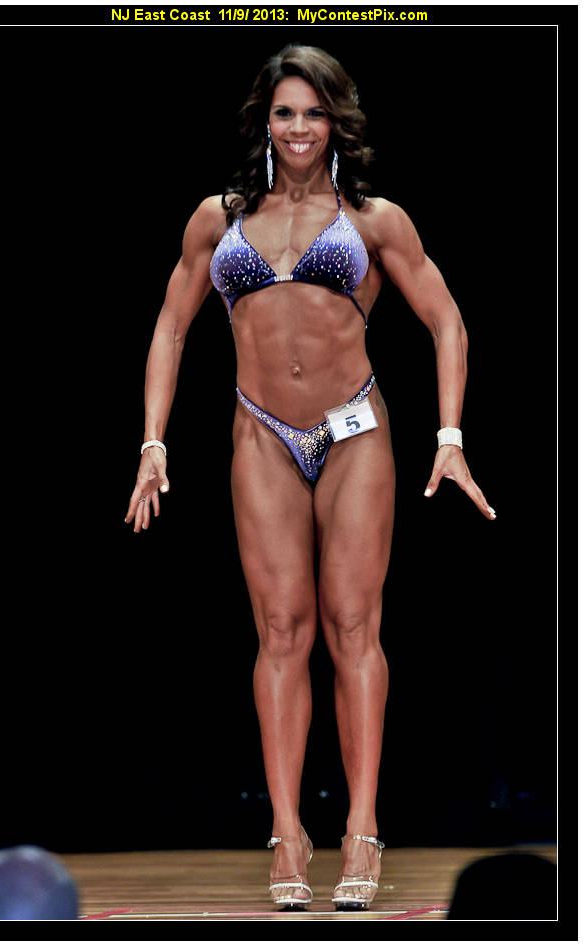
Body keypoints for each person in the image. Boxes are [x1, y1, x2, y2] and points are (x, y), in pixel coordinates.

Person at [125, 44, 494, 911]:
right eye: (286, 112)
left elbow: (446, 320)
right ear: (266, 119)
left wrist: (450, 434)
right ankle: (287, 832)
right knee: (282, 631)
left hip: (354, 429)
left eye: (315, 113)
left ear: (337, 121)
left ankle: (361, 828)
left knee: (352, 624)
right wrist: (152, 442)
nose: (299, 128)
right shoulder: (216, 220)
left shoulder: (374, 219)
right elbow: (171, 328)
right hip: (262, 434)